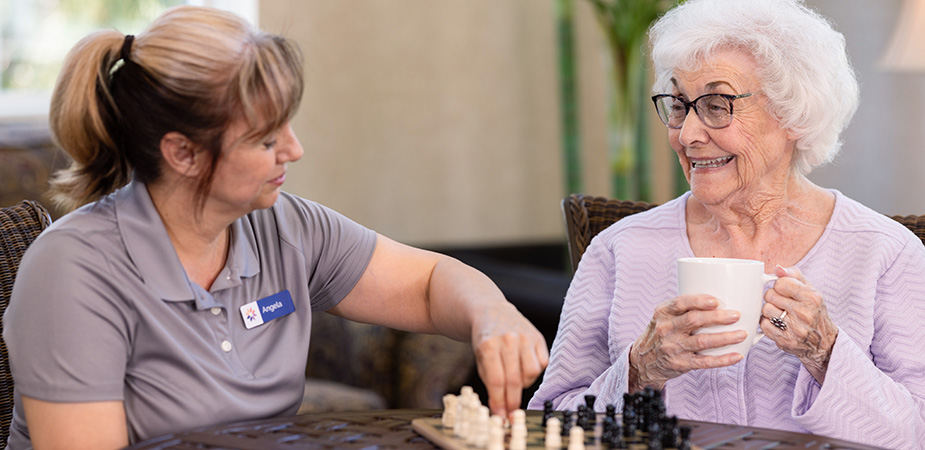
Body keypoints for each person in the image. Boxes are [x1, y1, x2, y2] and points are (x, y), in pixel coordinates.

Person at [2, 5, 548, 449]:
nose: (295, 149)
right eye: (265, 140)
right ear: (183, 153)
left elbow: (429, 284)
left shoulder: (285, 227)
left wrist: (492, 315)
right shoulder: (72, 271)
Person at [529, 0, 925, 448]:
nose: (688, 134)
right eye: (678, 104)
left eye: (716, 104)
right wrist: (637, 370)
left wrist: (827, 355)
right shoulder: (620, 249)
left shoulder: (882, 252)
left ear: (793, 112)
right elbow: (544, 425)